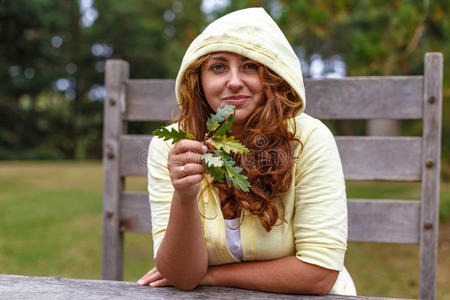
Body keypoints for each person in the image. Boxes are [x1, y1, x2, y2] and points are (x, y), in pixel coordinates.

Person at [137, 7, 356, 295]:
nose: (235, 81)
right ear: (198, 79)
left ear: (273, 77)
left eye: (251, 66)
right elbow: (182, 276)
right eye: (218, 67)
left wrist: (211, 276)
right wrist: (185, 195)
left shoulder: (308, 139)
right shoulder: (173, 146)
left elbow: (318, 273)